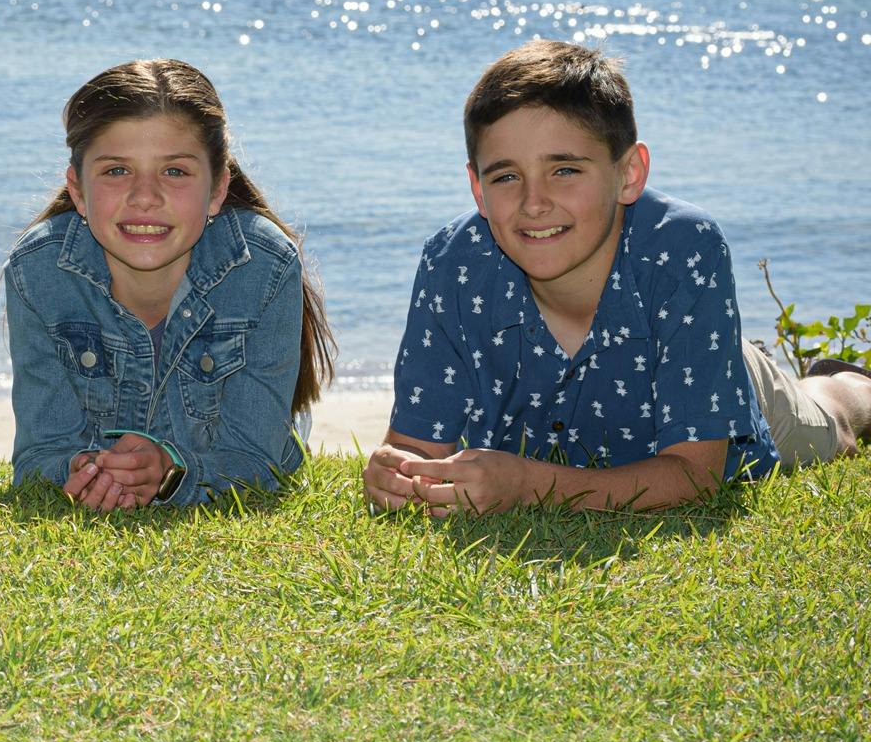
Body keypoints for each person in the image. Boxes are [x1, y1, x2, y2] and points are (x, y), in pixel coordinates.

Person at [363, 39, 868, 515]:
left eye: (564, 170)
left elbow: (696, 476)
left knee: (836, 426)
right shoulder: (451, 265)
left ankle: (846, 381)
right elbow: (417, 445)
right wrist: (399, 472)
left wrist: (526, 487)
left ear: (629, 173)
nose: (534, 203)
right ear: (477, 187)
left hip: (716, 374)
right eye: (506, 176)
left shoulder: (684, 249)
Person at [5, 59, 335, 509]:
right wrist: (87, 472)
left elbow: (257, 460)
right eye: (117, 170)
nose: (145, 196)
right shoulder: (38, 269)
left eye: (174, 171)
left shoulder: (263, 264)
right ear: (78, 190)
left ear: (217, 189)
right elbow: (40, 453)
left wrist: (173, 472)